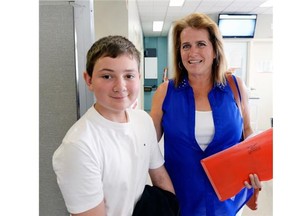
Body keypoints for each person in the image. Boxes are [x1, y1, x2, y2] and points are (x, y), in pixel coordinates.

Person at [150, 13, 262, 216]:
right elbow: (146, 144)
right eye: (186, 46)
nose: (193, 52)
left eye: (201, 44)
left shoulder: (236, 87)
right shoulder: (165, 92)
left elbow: (247, 131)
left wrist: (256, 165)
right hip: (179, 200)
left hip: (227, 199)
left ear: (215, 50)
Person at [52, 35, 175, 216]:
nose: (120, 86)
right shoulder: (79, 146)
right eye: (107, 76)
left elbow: (160, 177)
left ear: (139, 78)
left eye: (129, 76)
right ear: (89, 80)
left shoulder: (143, 121)